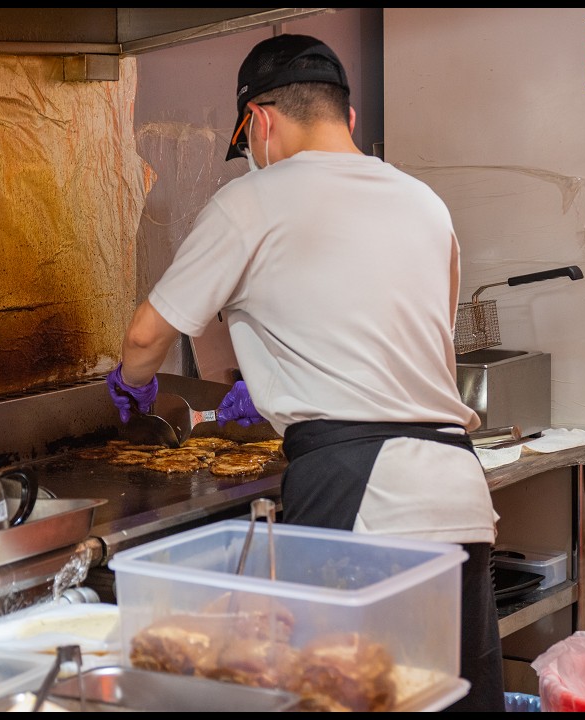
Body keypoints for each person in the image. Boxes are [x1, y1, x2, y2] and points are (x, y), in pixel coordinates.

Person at [105, 33, 504, 712]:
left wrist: (137, 384)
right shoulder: (423, 203)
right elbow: (407, 354)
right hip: (456, 494)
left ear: (257, 121)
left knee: (335, 698)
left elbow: (145, 337)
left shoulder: (251, 201)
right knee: (441, 700)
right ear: (347, 118)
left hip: (360, 499)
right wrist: (278, 392)